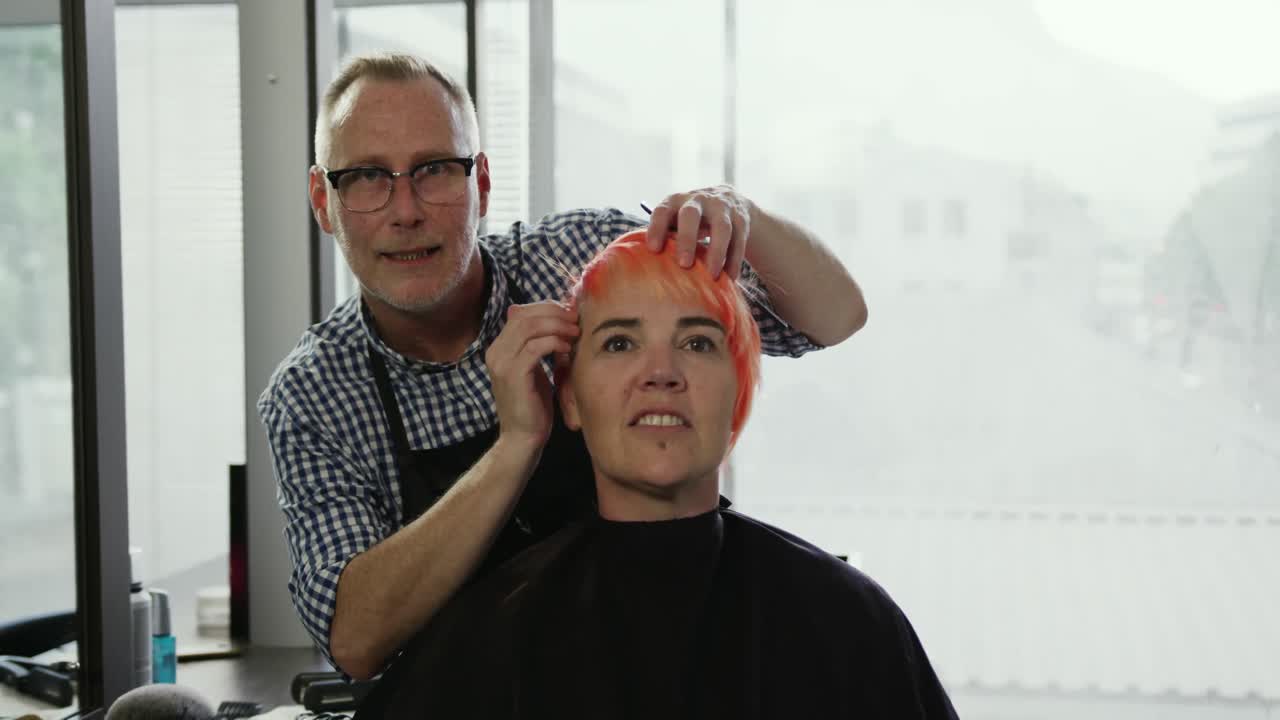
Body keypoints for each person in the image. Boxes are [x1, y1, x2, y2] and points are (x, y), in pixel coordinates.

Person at [258, 51, 868, 681]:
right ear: (322, 202)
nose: (405, 209)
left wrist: (745, 216)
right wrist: (518, 442)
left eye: (436, 169)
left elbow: (834, 317)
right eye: (366, 178)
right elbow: (357, 639)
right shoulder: (312, 394)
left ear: (483, 184)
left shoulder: (581, 260)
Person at [356, 230, 956, 719]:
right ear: (568, 400)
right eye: (619, 344)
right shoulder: (485, 641)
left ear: (739, 395)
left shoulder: (851, 625)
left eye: (697, 343)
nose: (661, 372)